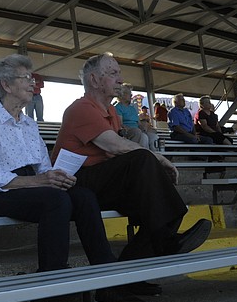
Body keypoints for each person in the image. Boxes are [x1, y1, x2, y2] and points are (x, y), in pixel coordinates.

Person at [0, 54, 146, 302]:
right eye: (26, 78)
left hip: (29, 183)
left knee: (83, 196)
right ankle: (48, 291)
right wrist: (39, 181)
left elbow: (43, 167)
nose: (33, 83)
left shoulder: (29, 124)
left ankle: (108, 284)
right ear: (6, 85)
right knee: (56, 200)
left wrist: (57, 176)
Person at [52, 53, 211, 267]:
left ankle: (130, 275)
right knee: (143, 161)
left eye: (119, 73)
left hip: (102, 181)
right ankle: (167, 239)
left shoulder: (111, 112)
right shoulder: (81, 108)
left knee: (155, 206)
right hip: (74, 181)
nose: (120, 79)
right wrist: (158, 158)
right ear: (94, 80)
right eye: (112, 74)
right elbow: (115, 146)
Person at [114, 83, 157, 151]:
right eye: (129, 94)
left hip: (137, 130)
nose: (131, 95)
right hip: (128, 131)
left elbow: (139, 123)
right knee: (142, 135)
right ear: (122, 95)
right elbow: (120, 124)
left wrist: (144, 129)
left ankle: (151, 152)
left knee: (152, 134)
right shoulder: (118, 107)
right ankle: (145, 154)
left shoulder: (132, 108)